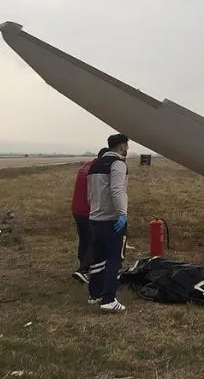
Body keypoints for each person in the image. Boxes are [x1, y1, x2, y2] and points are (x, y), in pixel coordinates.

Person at [86, 134, 130, 312]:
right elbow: (117, 189)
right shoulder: (118, 164)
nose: (127, 148)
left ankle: (94, 294)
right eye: (126, 145)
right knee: (114, 260)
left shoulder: (94, 165)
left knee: (98, 259)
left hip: (95, 218)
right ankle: (109, 299)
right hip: (111, 220)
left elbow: (90, 193)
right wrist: (122, 214)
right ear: (121, 146)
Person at [70, 146, 109, 284]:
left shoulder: (85, 166)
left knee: (84, 239)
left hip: (76, 209)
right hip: (88, 211)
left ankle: (82, 265)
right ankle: (84, 270)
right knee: (94, 240)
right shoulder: (97, 170)